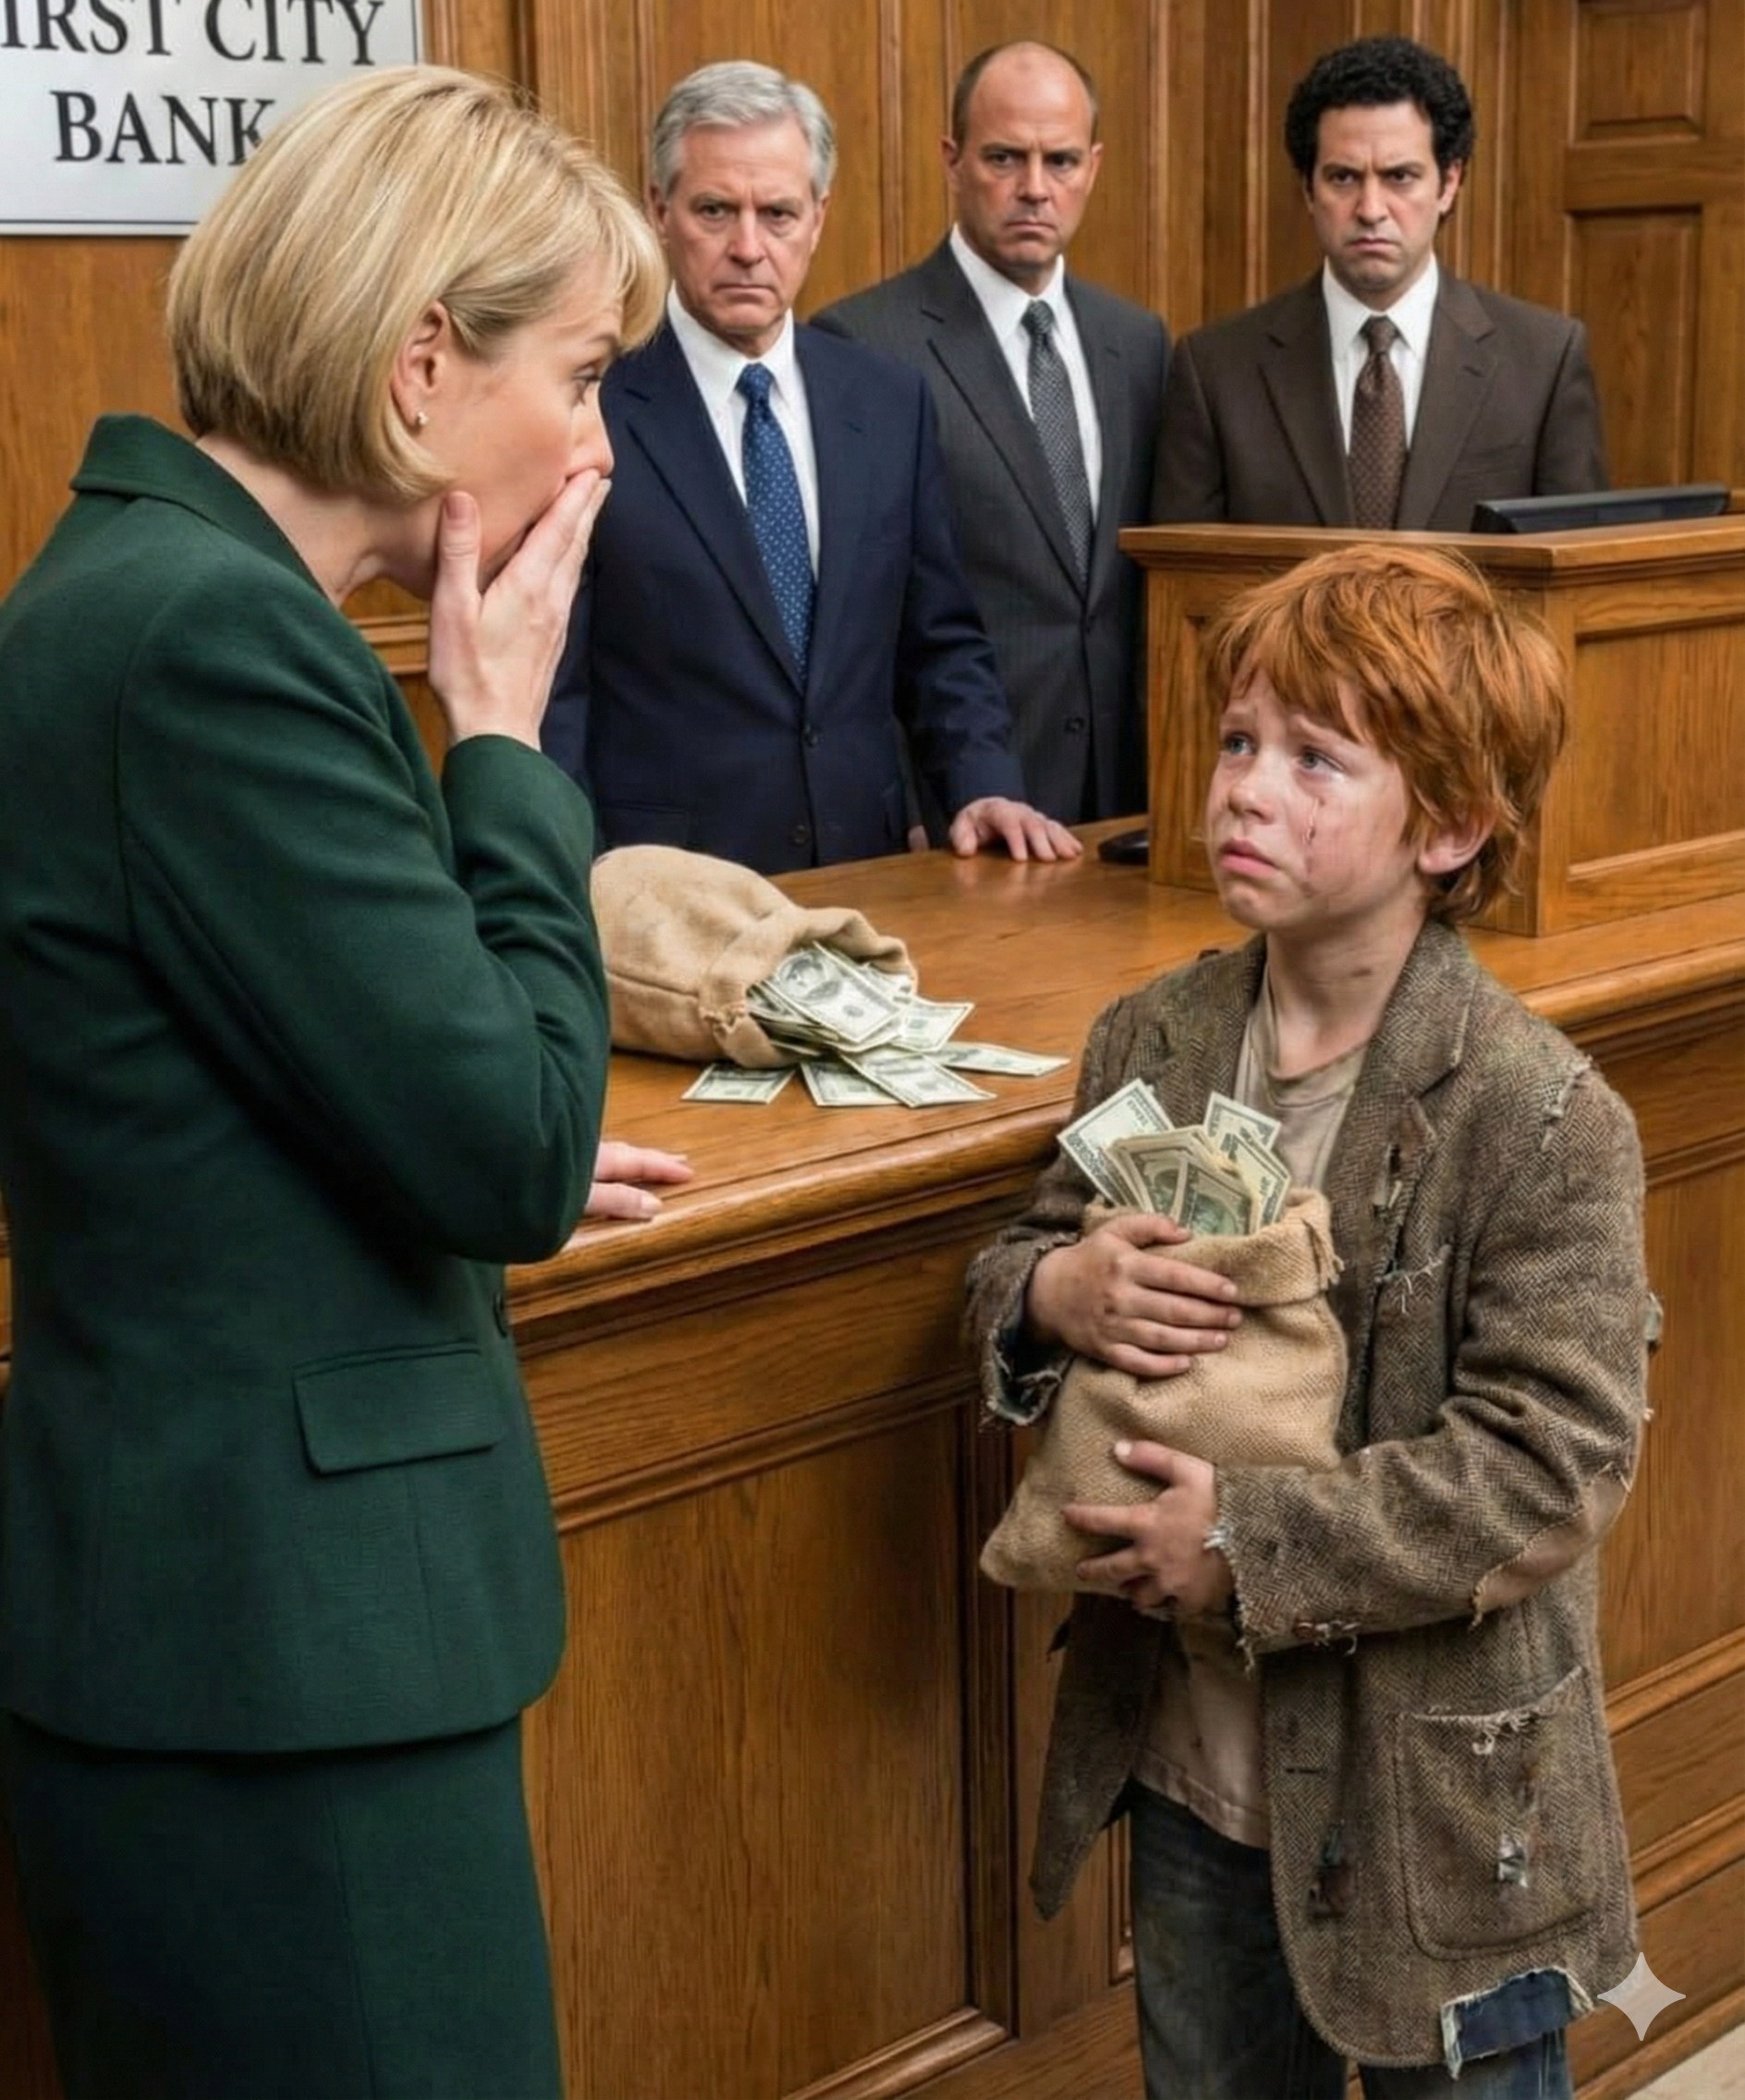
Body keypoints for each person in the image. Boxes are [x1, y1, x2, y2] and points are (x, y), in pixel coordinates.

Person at [0, 67, 666, 2099]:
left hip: (240, 1633)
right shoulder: (215, 639)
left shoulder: (153, 584)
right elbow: (509, 1149)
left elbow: (305, 1081)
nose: (594, 437)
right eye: (579, 368)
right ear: (416, 366)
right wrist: (500, 735)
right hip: (276, 1655)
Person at [966, 543, 1651, 2097]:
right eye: (1234, 741)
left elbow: (1548, 1466)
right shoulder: (1153, 1031)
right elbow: (1014, 1255)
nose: (1243, 791)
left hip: (1446, 1810)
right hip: (1195, 1773)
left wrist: (1246, 1540)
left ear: (1453, 823)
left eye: (1313, 758)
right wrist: (1053, 1290)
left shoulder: (1538, 1110)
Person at [539, 59, 1080, 876]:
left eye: (779, 213)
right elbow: (552, 685)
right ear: (658, 209)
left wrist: (982, 784)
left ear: (819, 216)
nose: (749, 247)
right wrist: (577, 877)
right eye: (716, 210)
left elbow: (939, 641)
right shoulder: (592, 405)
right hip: (668, 889)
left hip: (864, 873)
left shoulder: (890, 400)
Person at [813, 41, 1170, 824]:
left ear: (1095, 167)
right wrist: (908, 804)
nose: (1035, 189)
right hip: (962, 805)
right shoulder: (861, 345)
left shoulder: (1137, 342)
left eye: (1062, 161)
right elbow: (857, 621)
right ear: (952, 160)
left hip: (1127, 795)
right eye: (1005, 157)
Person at [1153, 35, 1606, 530]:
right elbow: (1183, 587)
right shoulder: (1216, 370)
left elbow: (1573, 583)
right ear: (1308, 188)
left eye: (1400, 177)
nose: (1371, 210)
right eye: (1343, 178)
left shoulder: (1544, 361)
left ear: (1449, 183)